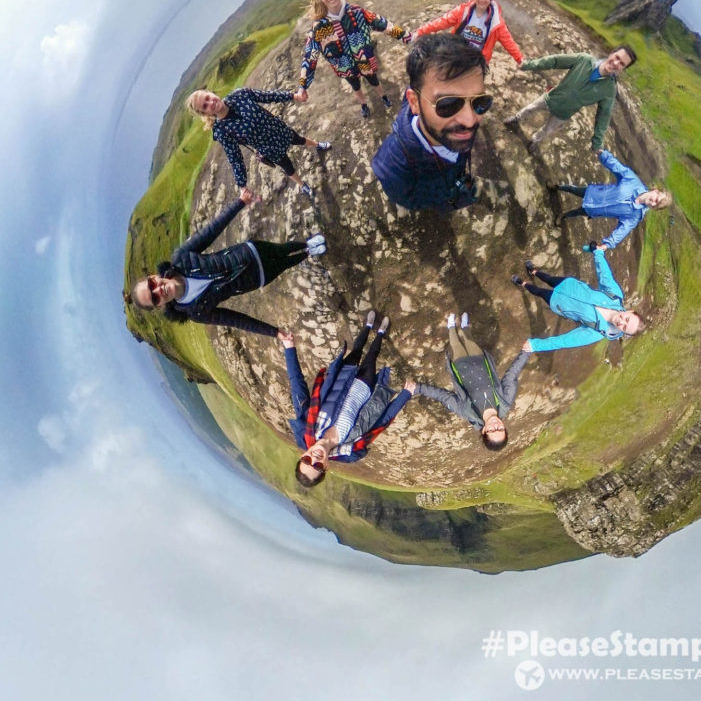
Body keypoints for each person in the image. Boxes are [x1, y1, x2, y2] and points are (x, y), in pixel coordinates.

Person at [127, 188, 327, 337]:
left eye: (151, 285)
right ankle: (308, 252)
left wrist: (239, 203)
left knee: (282, 249)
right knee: (285, 264)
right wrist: (274, 332)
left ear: (153, 277)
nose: (157, 291)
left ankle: (306, 243)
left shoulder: (181, 258)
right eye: (154, 298)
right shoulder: (196, 312)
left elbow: (211, 232)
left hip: (251, 250)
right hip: (257, 279)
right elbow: (235, 319)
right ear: (159, 306)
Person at [285, 313, 416, 487]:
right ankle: (381, 333)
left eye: (307, 460)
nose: (314, 458)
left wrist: (289, 348)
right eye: (317, 465)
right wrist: (405, 395)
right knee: (372, 356)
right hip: (364, 388)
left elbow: (297, 386)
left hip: (343, 375)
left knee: (357, 349)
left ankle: (368, 326)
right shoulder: (351, 449)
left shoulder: (307, 425)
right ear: (325, 467)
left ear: (302, 455)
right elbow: (381, 422)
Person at [371, 33, 491, 213]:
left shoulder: (447, 123)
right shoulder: (392, 168)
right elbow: (409, 200)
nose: (470, 120)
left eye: (480, 102)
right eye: (448, 104)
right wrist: (442, 198)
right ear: (414, 103)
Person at [295, 0, 412, 118]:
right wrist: (303, 86)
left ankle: (384, 97)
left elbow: (382, 23)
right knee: (355, 86)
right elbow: (310, 55)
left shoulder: (357, 12)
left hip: (365, 60)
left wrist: (407, 37)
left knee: (374, 80)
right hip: (345, 66)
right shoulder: (319, 27)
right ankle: (363, 104)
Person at [187, 87, 331, 200]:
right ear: (205, 114)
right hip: (269, 149)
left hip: (279, 130)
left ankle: (318, 145)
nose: (210, 103)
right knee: (288, 167)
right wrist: (242, 186)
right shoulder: (221, 131)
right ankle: (303, 185)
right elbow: (235, 158)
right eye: (205, 106)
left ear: (210, 93)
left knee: (299, 140)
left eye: (207, 98)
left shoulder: (240, 94)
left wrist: (293, 96)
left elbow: (268, 96)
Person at [414, 312, 531, 450]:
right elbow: (511, 376)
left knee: (456, 344)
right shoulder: (505, 402)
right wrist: (526, 352)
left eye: (492, 431)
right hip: (480, 360)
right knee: (470, 342)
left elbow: (444, 396)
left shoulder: (467, 412)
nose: (495, 426)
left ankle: (451, 327)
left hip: (460, 365)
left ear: (483, 431)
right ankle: (464, 327)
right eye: (500, 429)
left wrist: (418, 388)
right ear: (505, 428)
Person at [511, 246, 646, 353]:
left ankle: (523, 284)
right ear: (630, 311)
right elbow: (605, 275)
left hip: (558, 304)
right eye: (627, 319)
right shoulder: (615, 297)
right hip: (569, 285)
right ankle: (534, 272)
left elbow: (566, 341)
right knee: (549, 279)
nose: (621, 322)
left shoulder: (597, 332)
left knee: (540, 292)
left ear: (623, 332)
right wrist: (598, 253)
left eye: (624, 328)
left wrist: (536, 345)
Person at [504, 46, 636, 154]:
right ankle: (516, 118)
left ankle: (534, 141)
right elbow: (555, 60)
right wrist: (528, 65)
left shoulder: (609, 90)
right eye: (617, 57)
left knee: (547, 130)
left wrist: (597, 143)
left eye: (622, 64)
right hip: (552, 98)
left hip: (564, 113)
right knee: (530, 108)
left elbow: (604, 116)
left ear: (623, 69)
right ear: (612, 53)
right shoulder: (584, 60)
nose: (616, 63)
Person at [551, 150, 672, 249]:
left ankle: (563, 215)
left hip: (595, 210)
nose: (653, 202)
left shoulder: (636, 216)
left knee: (577, 212)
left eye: (656, 205)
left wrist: (607, 244)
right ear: (655, 191)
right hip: (594, 193)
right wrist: (604, 155)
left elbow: (623, 230)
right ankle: (558, 187)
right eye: (657, 199)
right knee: (574, 190)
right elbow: (617, 167)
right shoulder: (633, 181)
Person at [412, 0, 524, 66]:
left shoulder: (496, 22)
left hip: (476, 61)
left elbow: (508, 42)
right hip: (456, 52)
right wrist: (420, 32)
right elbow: (441, 22)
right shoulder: (462, 11)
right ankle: (393, 31)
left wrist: (520, 59)